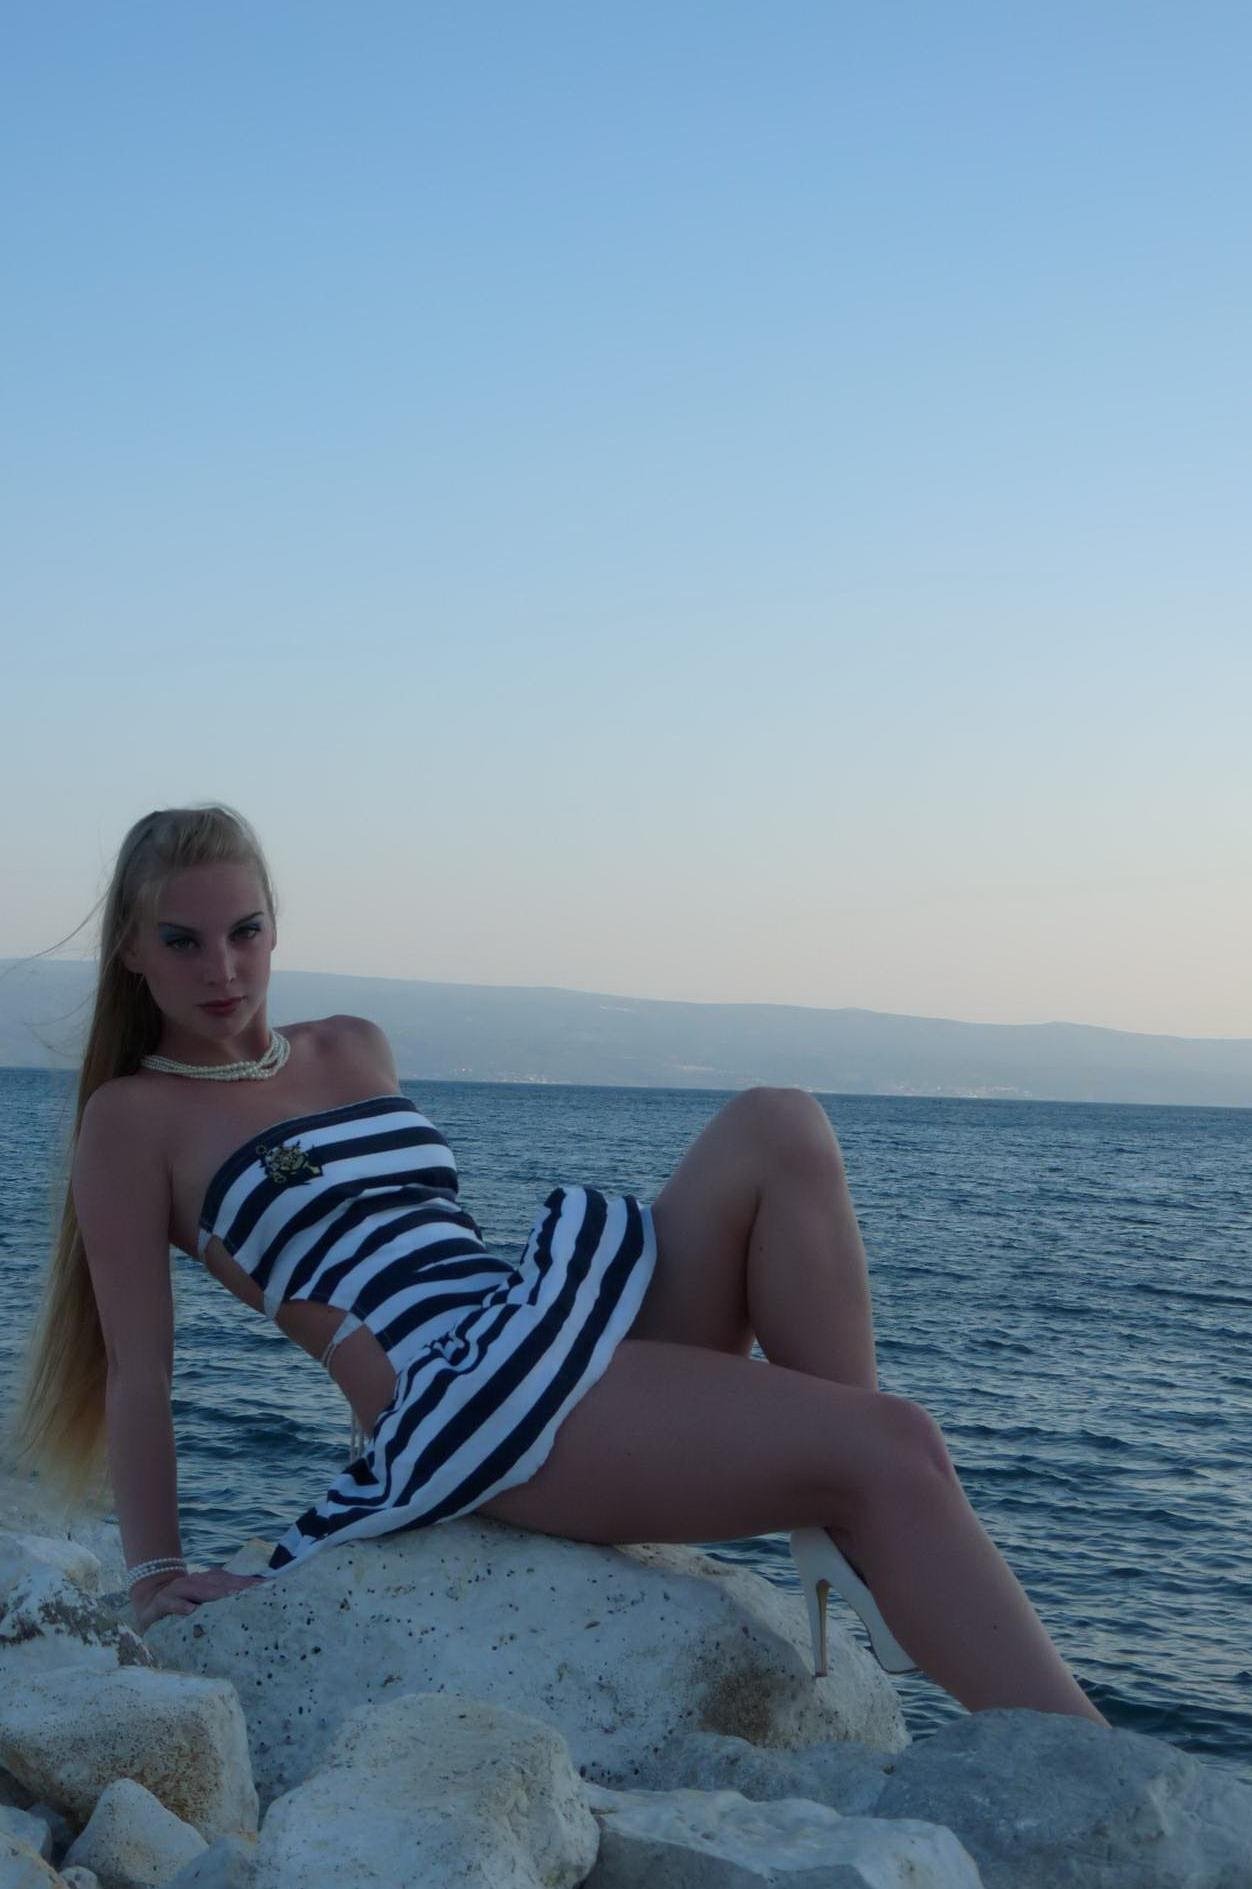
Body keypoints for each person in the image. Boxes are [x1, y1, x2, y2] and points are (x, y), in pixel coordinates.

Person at [11, 804, 1108, 1725]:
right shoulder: (134, 1119)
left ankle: (845, 1526)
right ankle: (1102, 1769)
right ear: (131, 951)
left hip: (531, 1313)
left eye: (245, 931)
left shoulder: (351, 1043)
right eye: (184, 941)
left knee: (781, 1121)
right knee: (898, 1443)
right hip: (463, 1394)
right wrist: (153, 1575)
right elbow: (139, 1371)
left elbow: (413, 1225)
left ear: (274, 926)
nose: (223, 968)